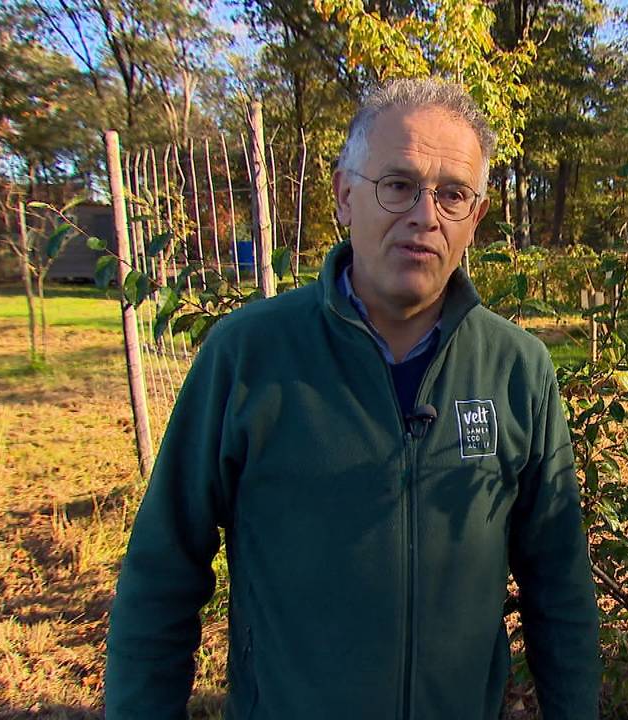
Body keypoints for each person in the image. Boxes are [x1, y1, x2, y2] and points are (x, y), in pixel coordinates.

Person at [105, 78, 602, 719]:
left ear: (475, 219)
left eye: (453, 195)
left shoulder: (515, 369)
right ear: (344, 195)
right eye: (398, 185)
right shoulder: (249, 358)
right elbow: (161, 576)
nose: (426, 216)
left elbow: (558, 585)